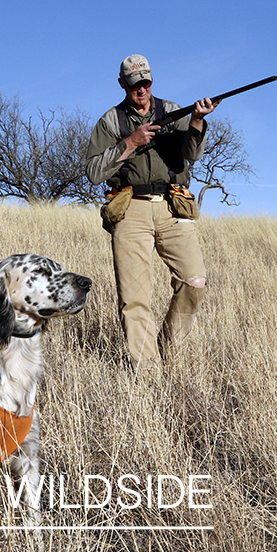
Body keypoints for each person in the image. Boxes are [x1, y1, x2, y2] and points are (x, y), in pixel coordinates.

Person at [86, 54, 217, 374]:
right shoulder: (110, 122)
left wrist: (198, 121)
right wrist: (129, 143)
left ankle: (168, 351)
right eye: (133, 84)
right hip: (130, 208)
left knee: (195, 281)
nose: (140, 89)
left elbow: (191, 154)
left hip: (174, 206)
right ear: (122, 85)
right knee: (134, 299)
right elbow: (92, 171)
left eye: (145, 82)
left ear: (151, 81)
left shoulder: (173, 111)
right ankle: (148, 374)